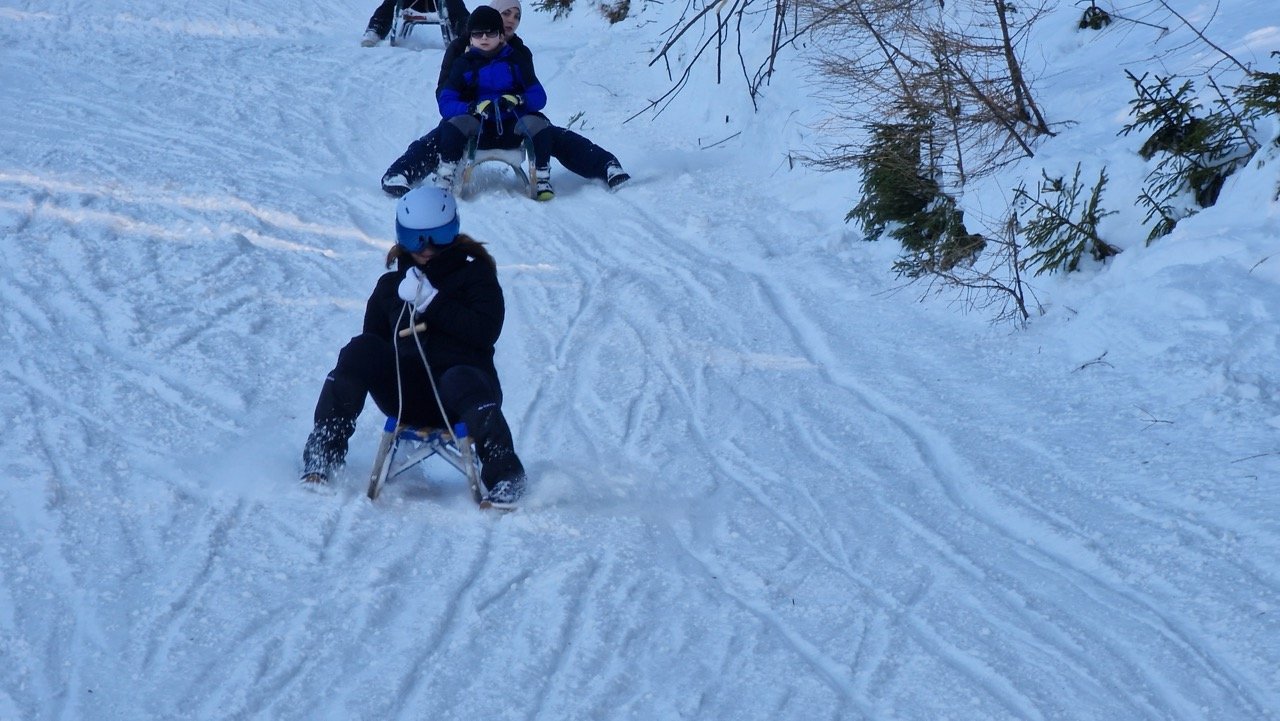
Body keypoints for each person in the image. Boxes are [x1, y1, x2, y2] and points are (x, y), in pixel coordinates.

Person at [300, 186, 527, 505]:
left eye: (439, 237)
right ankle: (323, 451)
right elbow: (375, 347)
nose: (427, 248)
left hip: (465, 396)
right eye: (415, 239)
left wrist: (433, 302)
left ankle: (505, 474)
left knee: (459, 377)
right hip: (407, 397)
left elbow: (485, 331)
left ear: (453, 231)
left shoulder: (476, 276)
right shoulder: (390, 288)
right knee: (360, 349)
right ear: (401, 237)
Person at [380, 0, 630, 198]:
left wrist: (518, 101)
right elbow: (445, 93)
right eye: (506, 14)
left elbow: (534, 92)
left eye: (516, 16)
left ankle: (605, 166)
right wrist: (469, 107)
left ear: (499, 34)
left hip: (511, 120)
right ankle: (402, 172)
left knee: (550, 132)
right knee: (441, 135)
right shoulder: (460, 51)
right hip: (470, 120)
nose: (511, 20)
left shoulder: (518, 53)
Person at [362, 0, 469, 47]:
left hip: (439, 3)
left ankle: (466, 31)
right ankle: (376, 28)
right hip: (412, 3)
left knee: (455, 4)